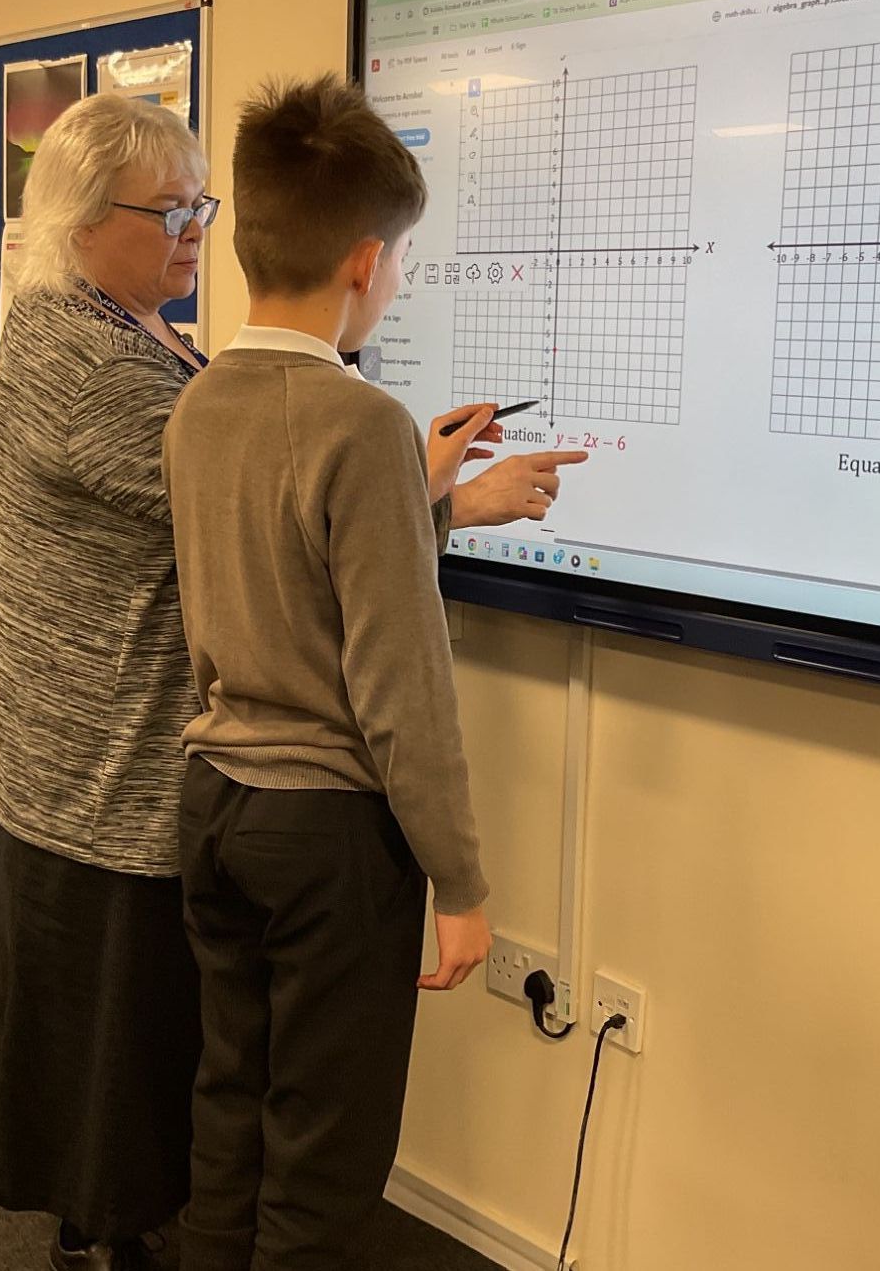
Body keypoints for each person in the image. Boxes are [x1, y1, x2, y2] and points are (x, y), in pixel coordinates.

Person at [164, 75, 579, 1270]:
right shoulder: (361, 426)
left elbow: (281, 582)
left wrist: (428, 498)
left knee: (231, 1111)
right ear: (361, 262)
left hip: (217, 809)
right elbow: (401, 687)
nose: (393, 280)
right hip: (328, 841)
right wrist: (459, 882)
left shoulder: (199, 403)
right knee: (325, 1158)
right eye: (397, 261)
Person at [0, 93, 214, 1271]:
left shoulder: (134, 325)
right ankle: (97, 1239)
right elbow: (242, 500)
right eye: (171, 210)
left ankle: (108, 1225)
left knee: (118, 1030)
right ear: (81, 217)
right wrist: (434, 496)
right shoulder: (75, 347)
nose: (196, 230)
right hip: (85, 766)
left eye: (203, 203)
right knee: (106, 1035)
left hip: (85, 750)